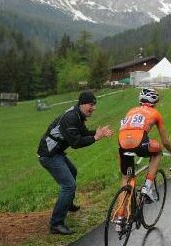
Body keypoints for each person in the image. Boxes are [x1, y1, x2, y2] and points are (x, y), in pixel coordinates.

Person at [37, 91, 113, 235]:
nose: (94, 108)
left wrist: (98, 133)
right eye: (91, 104)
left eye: (94, 105)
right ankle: (56, 224)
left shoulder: (78, 115)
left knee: (73, 171)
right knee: (69, 185)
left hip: (56, 152)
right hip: (49, 154)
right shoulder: (70, 118)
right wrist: (96, 137)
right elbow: (76, 143)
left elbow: (83, 133)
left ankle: (67, 203)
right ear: (82, 104)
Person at [119, 88, 171, 202]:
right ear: (154, 103)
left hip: (122, 145)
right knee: (157, 151)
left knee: (125, 178)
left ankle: (120, 215)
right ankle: (147, 187)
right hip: (139, 143)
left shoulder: (131, 111)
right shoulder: (155, 113)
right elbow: (165, 141)